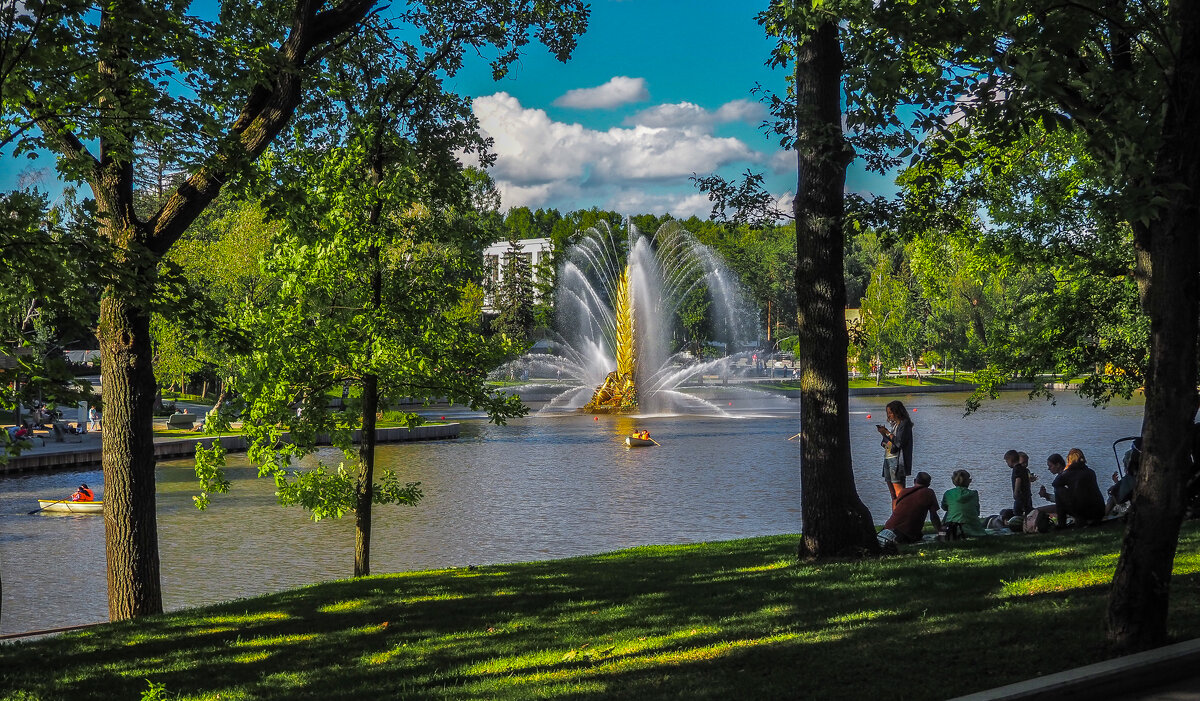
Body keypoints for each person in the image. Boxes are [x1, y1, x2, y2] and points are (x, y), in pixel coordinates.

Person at [1043, 448, 1105, 527]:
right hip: (1099, 511)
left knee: (1059, 490)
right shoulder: (1090, 471)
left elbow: (1055, 484)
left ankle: (1062, 524)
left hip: (1084, 512)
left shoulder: (1068, 474)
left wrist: (1066, 470)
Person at [883, 471, 941, 543]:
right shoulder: (929, 492)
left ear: (914, 481)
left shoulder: (903, 491)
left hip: (888, 528)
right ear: (928, 484)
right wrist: (941, 532)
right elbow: (934, 516)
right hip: (906, 534)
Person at [876, 399, 914, 509]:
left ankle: (904, 518)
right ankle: (895, 520)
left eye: (891, 412)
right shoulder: (895, 425)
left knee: (900, 494)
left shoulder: (904, 424)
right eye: (888, 413)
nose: (889, 415)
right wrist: (884, 436)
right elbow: (889, 445)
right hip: (888, 460)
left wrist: (887, 433)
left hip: (897, 462)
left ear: (898, 412)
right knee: (893, 495)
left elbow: (899, 443)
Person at [941, 469, 986, 537]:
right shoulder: (974, 494)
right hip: (973, 528)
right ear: (969, 481)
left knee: (948, 513)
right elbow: (977, 511)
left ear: (954, 481)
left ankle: (941, 535)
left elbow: (944, 507)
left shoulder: (948, 493)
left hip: (952, 527)